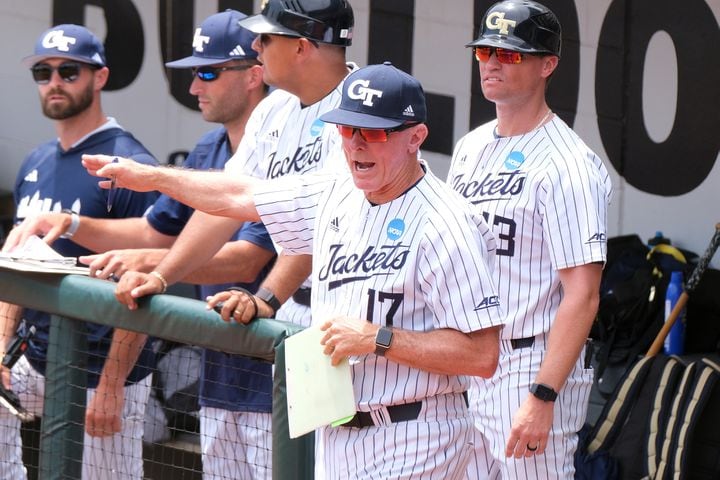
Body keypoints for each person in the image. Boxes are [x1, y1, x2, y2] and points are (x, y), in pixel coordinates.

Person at [82, 62, 505, 480]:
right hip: (335, 432)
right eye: (346, 128)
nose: (356, 144)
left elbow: (481, 355)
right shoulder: (336, 194)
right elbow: (239, 195)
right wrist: (153, 177)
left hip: (416, 433)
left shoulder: (446, 223)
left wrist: (379, 340)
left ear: (416, 137)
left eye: (373, 132)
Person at [3, 11, 278, 479]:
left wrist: (154, 267)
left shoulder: (284, 151)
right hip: (221, 367)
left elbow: (247, 256)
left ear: (254, 75)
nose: (195, 87)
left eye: (207, 72)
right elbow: (155, 232)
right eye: (194, 73)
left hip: (276, 366)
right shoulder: (209, 150)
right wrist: (69, 223)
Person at [79, 0, 357, 331]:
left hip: (348, 311)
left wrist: (267, 298)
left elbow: (322, 222)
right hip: (292, 309)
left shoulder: (360, 112)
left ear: (300, 47)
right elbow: (223, 203)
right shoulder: (274, 110)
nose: (256, 46)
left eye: (265, 38)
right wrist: (162, 276)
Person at [447, 1, 613, 478]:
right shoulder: (471, 147)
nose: (494, 62)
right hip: (469, 358)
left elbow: (582, 295)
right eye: (485, 52)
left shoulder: (569, 165)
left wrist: (543, 396)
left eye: (512, 54)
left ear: (548, 65)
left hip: (530, 362)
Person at [0, 24, 159, 479]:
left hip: (100, 369)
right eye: (44, 72)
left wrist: (112, 385)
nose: (54, 81)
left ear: (100, 77)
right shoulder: (36, 162)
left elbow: (145, 282)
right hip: (37, 356)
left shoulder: (128, 163)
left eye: (69, 71)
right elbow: (15, 266)